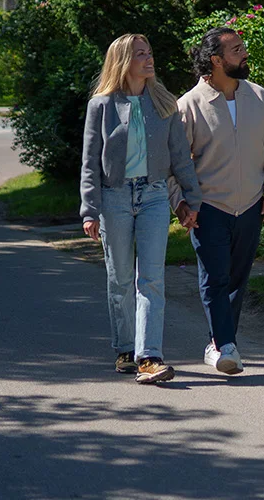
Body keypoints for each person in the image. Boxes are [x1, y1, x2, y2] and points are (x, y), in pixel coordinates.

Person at [80, 34, 203, 385]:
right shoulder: (101, 106)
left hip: (152, 196)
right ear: (122, 61)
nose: (149, 60)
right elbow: (90, 162)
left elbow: (180, 157)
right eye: (140, 55)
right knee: (119, 279)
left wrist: (190, 201)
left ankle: (149, 356)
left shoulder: (165, 103)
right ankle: (124, 348)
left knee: (151, 279)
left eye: (150, 53)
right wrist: (90, 209)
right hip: (114, 197)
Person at [173, 26, 264, 376]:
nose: (244, 54)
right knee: (215, 279)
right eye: (236, 50)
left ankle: (219, 343)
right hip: (208, 207)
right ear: (216, 60)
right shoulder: (189, 105)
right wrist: (181, 203)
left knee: (238, 278)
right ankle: (225, 346)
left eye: (243, 47)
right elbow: (174, 163)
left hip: (251, 204)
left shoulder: (260, 97)